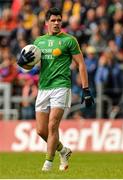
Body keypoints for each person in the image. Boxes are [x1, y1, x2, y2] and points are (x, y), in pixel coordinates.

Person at [17, 7, 94, 172]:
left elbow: (81, 64)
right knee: (40, 130)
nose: (57, 23)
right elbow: (31, 67)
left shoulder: (69, 40)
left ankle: (48, 164)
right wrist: (22, 63)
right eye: (53, 20)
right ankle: (63, 150)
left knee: (53, 126)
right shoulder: (38, 42)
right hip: (43, 88)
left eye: (59, 20)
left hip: (61, 86)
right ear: (46, 23)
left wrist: (85, 89)